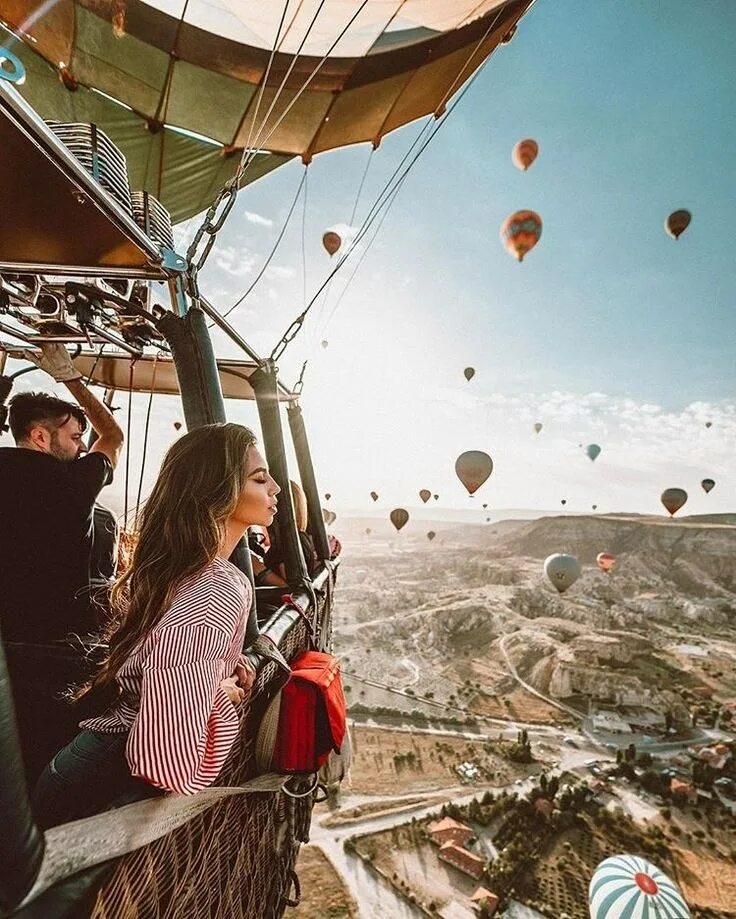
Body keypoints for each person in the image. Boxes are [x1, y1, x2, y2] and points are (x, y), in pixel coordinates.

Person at [32, 423, 279, 829]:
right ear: (216, 490)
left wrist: (221, 668)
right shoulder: (218, 587)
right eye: (259, 478)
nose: (275, 488)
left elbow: (175, 659)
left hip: (87, 768)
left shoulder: (191, 571)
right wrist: (222, 695)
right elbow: (168, 763)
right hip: (98, 785)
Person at [0, 343, 124, 784]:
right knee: (42, 760)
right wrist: (69, 376)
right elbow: (112, 436)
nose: (80, 447)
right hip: (57, 653)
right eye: (74, 437)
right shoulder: (72, 481)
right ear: (39, 436)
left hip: (4, 646)